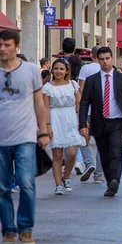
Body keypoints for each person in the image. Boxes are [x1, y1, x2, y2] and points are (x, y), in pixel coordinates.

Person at [0, 30, 50, 244]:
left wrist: (44, 130)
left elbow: (39, 102)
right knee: (2, 188)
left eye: (7, 44)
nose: (3, 48)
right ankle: (9, 230)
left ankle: (26, 229)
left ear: (16, 47)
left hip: (25, 136)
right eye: (0, 44)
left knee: (26, 183)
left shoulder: (30, 70)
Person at [78, 47, 122, 197]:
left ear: (112, 59)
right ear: (97, 60)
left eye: (107, 58)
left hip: (117, 122)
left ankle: (115, 180)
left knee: (115, 152)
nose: (105, 62)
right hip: (99, 121)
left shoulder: (121, 78)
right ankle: (109, 183)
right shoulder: (92, 80)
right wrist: (82, 124)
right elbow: (84, 102)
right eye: (102, 59)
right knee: (104, 155)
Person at [43, 59, 86, 195]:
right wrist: (47, 125)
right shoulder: (47, 87)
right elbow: (45, 108)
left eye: (61, 69)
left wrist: (82, 122)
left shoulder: (73, 85)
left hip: (71, 118)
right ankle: (58, 185)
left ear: (66, 70)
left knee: (72, 152)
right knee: (57, 155)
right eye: (56, 68)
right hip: (55, 118)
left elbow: (79, 104)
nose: (58, 71)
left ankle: (66, 176)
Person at [76, 45, 103, 183]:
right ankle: (99, 175)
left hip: (87, 110)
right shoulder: (108, 69)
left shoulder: (86, 68)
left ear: (91, 56)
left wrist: (80, 109)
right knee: (101, 144)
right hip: (103, 112)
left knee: (83, 139)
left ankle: (89, 162)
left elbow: (80, 90)